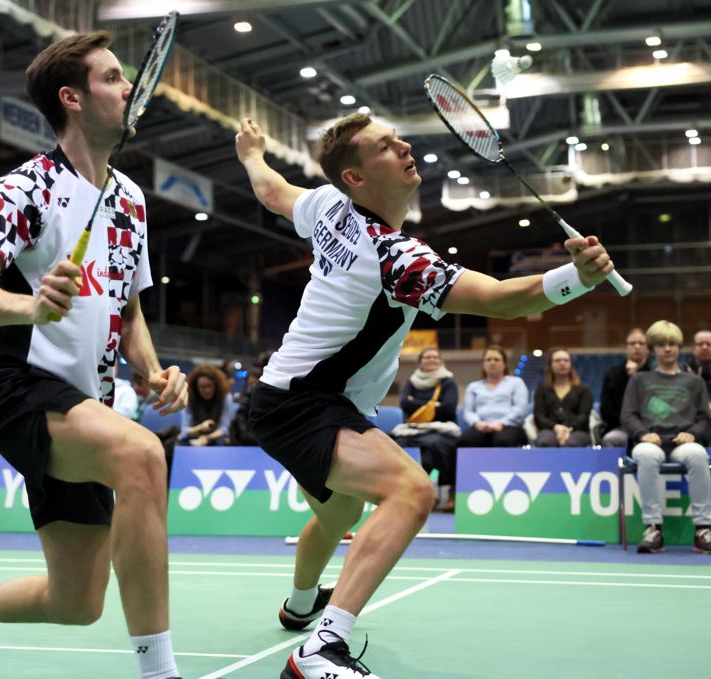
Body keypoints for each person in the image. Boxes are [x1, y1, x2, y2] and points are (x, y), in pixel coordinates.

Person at [235, 113, 615, 677]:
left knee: (337, 510)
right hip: (303, 403)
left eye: (398, 138)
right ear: (357, 177)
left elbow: (271, 191)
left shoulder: (327, 208)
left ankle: (299, 608)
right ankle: (321, 649)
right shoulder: (395, 257)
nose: (405, 145)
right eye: (386, 146)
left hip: (291, 399)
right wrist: (577, 278)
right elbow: (503, 299)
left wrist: (251, 153)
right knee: (411, 492)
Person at [0, 31, 188, 679]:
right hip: (18, 386)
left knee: (76, 601)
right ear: (72, 98)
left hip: (86, 403)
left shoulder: (130, 200)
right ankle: (159, 673)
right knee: (142, 455)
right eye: (113, 78)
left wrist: (152, 368)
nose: (128, 88)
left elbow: (128, 308)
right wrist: (28, 307)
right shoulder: (28, 187)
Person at [620, 320, 711, 554]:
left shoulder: (695, 382)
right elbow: (628, 415)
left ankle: (703, 529)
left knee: (699, 454)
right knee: (646, 455)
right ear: (653, 349)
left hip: (683, 443)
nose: (667, 349)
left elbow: (704, 418)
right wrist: (643, 434)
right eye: (661, 344)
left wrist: (693, 433)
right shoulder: (639, 380)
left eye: (672, 344)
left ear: (679, 347)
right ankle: (653, 529)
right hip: (652, 442)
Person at [391, 347, 460, 511]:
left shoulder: (448, 382)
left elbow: (449, 409)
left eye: (435, 357)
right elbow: (404, 404)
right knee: (399, 444)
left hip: (442, 430)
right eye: (427, 357)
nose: (431, 360)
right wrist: (434, 406)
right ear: (420, 361)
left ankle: (442, 491)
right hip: (414, 430)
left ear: (440, 361)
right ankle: (419, 493)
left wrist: (415, 403)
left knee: (434, 447)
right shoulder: (411, 382)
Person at [458, 345, 529, 448]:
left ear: (504, 364)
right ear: (483, 364)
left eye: (496, 359)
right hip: (481, 427)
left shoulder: (516, 383)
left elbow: (520, 409)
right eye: (488, 359)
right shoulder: (473, 387)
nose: (492, 362)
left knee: (503, 439)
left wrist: (501, 423)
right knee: (465, 440)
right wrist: (477, 423)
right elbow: (468, 411)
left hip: (509, 426)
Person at [532, 347, 593, 447]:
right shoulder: (542, 389)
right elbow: (539, 416)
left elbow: (584, 416)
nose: (562, 363)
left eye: (566, 360)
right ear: (550, 365)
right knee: (546, 441)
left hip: (578, 430)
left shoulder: (584, 389)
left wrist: (567, 429)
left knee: (572, 443)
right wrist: (556, 427)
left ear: (571, 364)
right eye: (557, 360)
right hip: (549, 430)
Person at [599, 328, 649, 446]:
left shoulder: (654, 372)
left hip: (650, 427)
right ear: (625, 347)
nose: (637, 347)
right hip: (620, 427)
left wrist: (636, 376)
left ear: (647, 348)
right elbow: (605, 409)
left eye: (641, 343)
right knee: (610, 439)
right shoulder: (613, 374)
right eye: (632, 343)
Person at [179, 364, 234, 446]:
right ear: (196, 387)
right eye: (202, 387)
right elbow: (184, 431)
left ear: (216, 384)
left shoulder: (226, 397)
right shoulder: (190, 398)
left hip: (217, 440)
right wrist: (200, 428)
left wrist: (206, 438)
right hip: (194, 440)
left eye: (209, 385)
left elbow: (225, 429)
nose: (207, 390)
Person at [687, 329, 711, 401]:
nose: (704, 347)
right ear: (693, 348)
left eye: (709, 344)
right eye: (700, 344)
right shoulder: (685, 372)